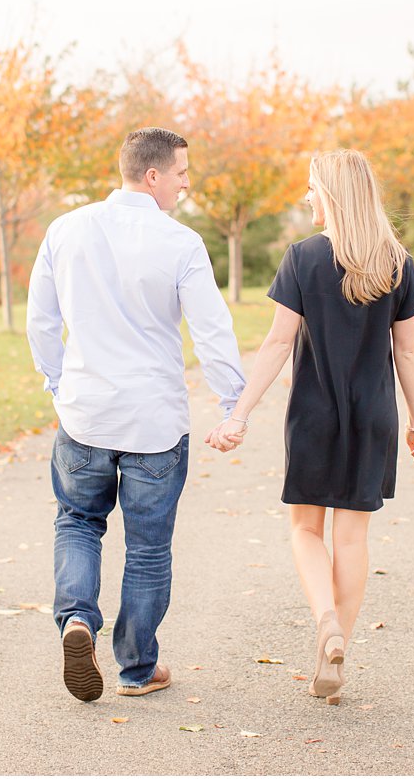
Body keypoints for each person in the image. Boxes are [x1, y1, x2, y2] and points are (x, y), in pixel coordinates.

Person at [26, 127, 246, 703]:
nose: (186, 183)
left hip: (84, 414)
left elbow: (42, 322)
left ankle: (77, 620)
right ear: (152, 176)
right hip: (154, 420)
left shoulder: (64, 230)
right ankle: (136, 669)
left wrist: (57, 384)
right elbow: (211, 329)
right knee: (148, 546)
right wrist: (232, 403)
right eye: (180, 173)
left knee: (78, 521)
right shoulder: (180, 243)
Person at [207, 149, 414, 706]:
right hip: (374, 414)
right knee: (352, 537)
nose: (307, 197)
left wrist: (240, 413)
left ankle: (325, 621)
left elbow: (279, 343)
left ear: (331, 193)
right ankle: (336, 651)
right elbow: (408, 353)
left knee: (306, 530)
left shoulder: (303, 258)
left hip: (314, 414)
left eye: (312, 187)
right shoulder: (397, 262)